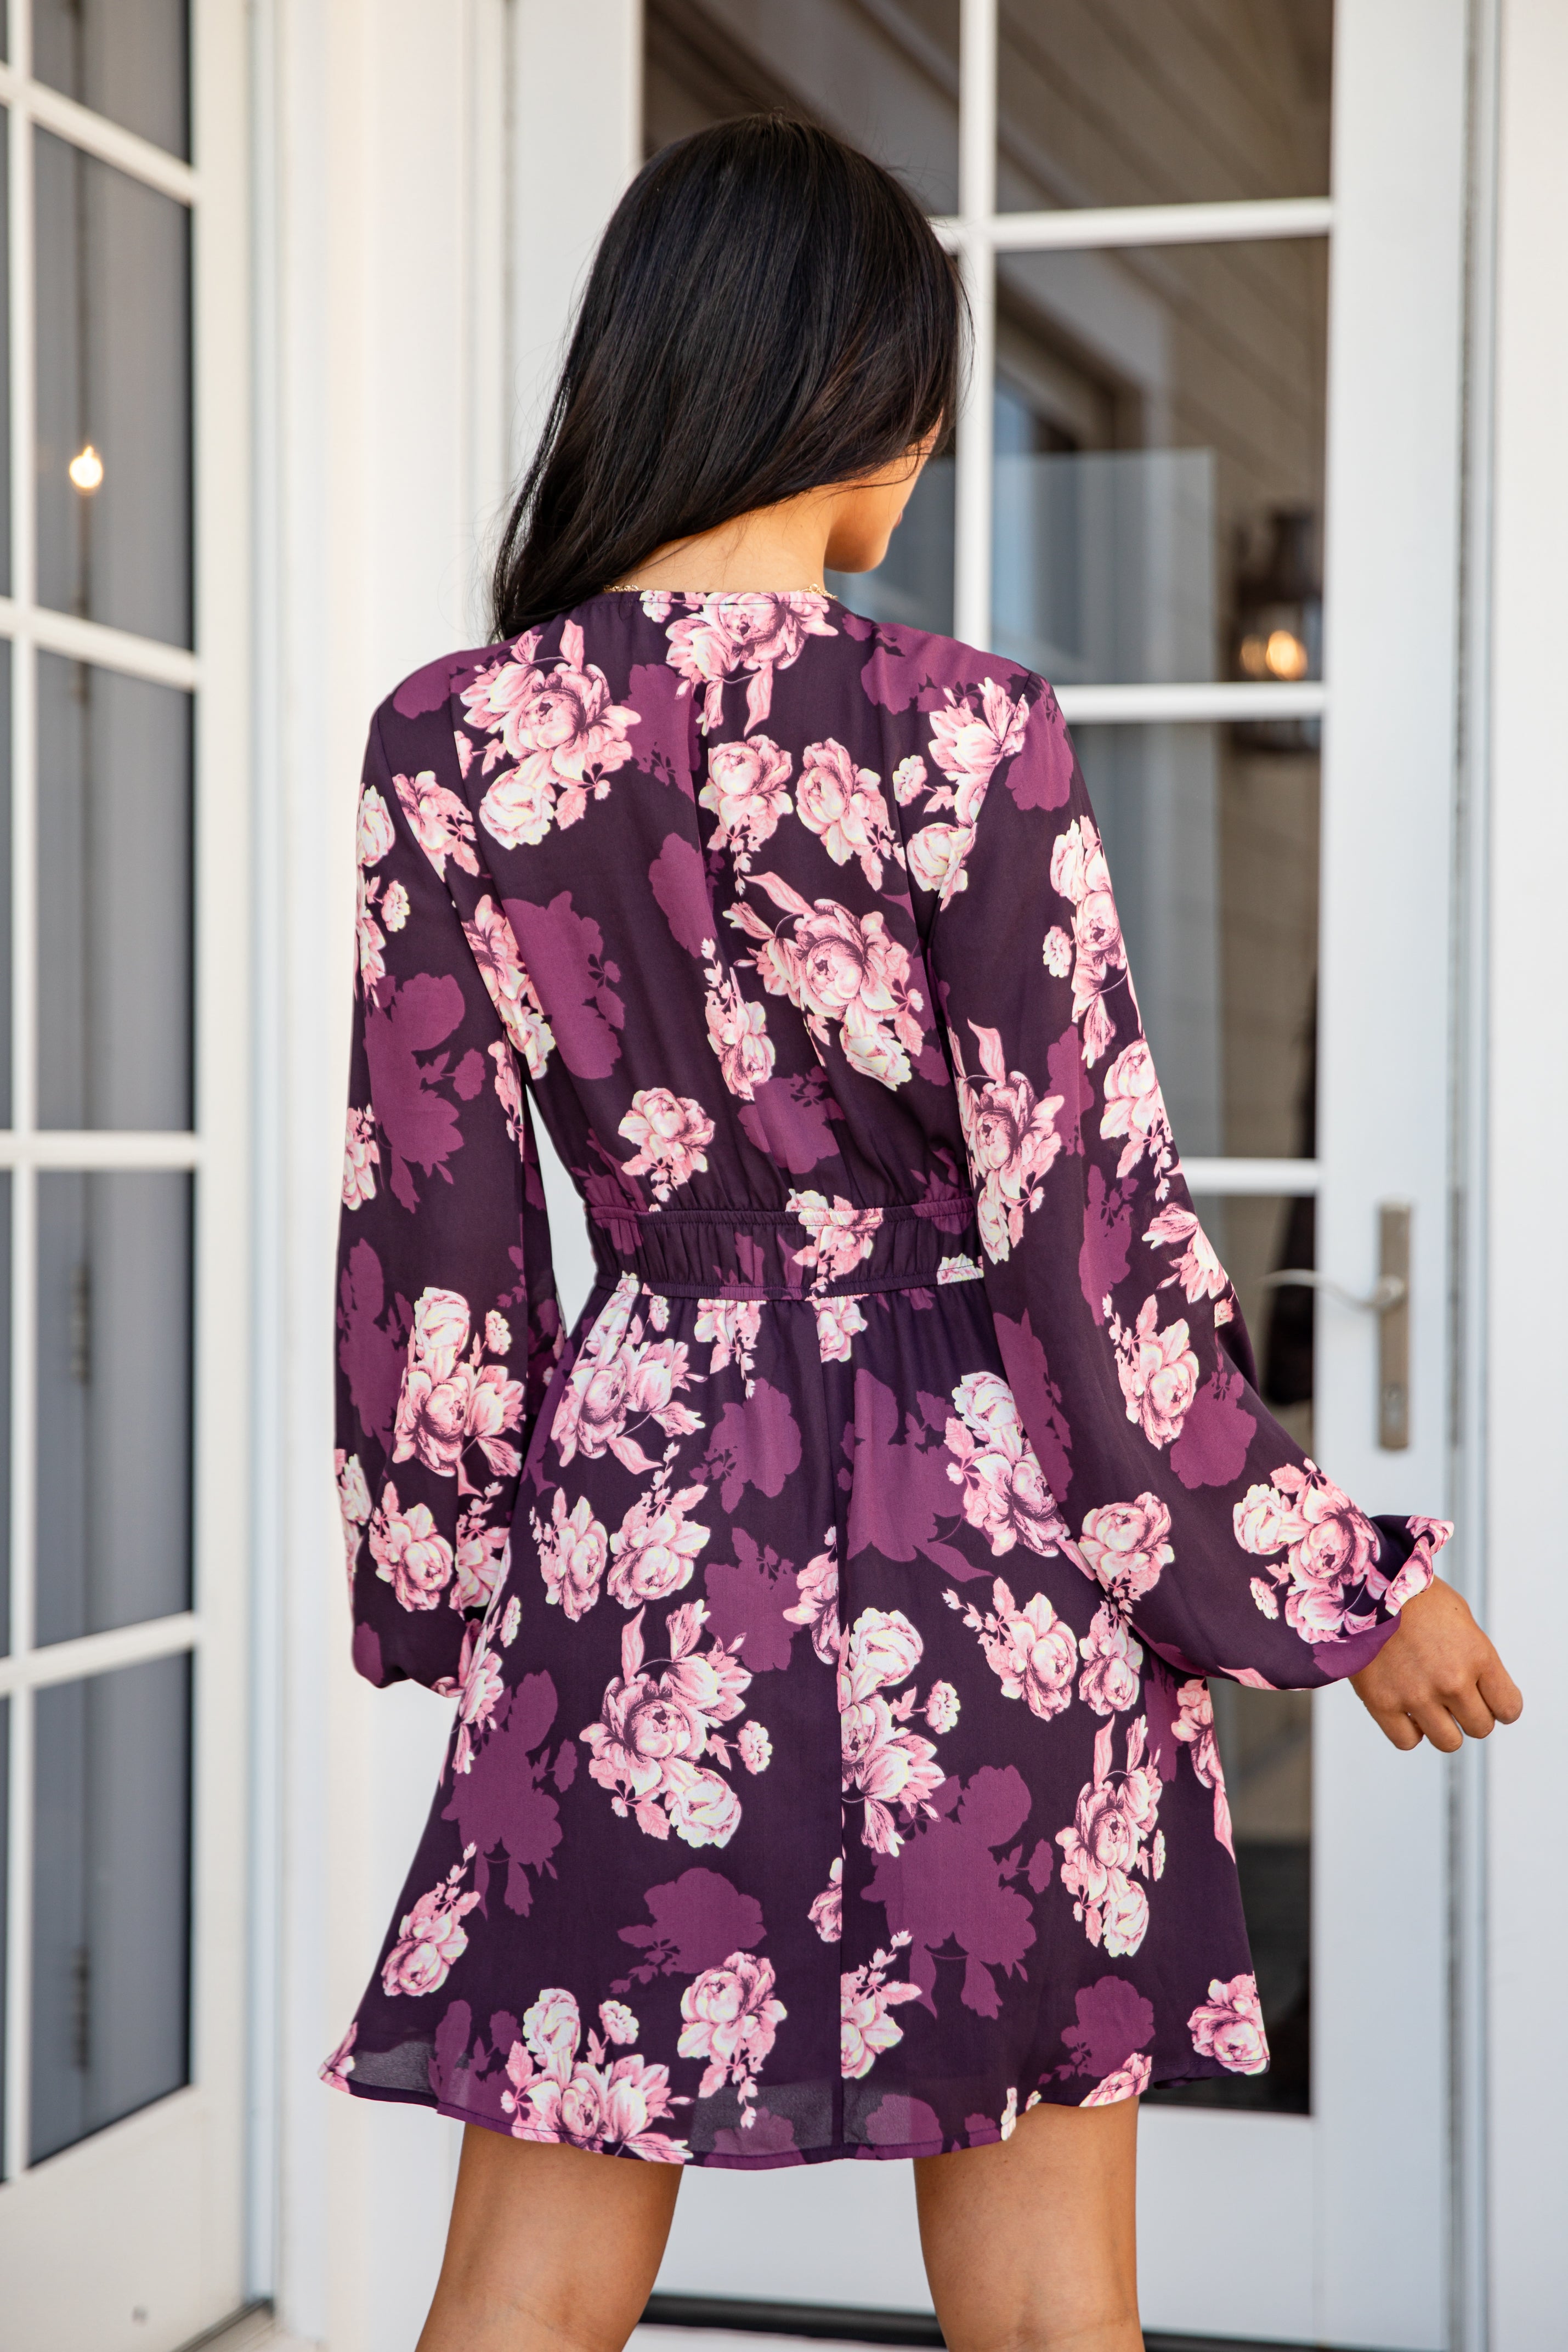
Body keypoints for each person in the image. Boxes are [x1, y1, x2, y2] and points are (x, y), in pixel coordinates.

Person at [325, 115, 1521, 2352]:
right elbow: (1093, 1233)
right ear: (854, 386)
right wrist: (1340, 1582)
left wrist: (442, 1589)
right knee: (1050, 2287)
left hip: (640, 1547)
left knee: (528, 2268)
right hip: (1000, 1536)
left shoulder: (453, 743)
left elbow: (437, 1238)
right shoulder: (967, 733)